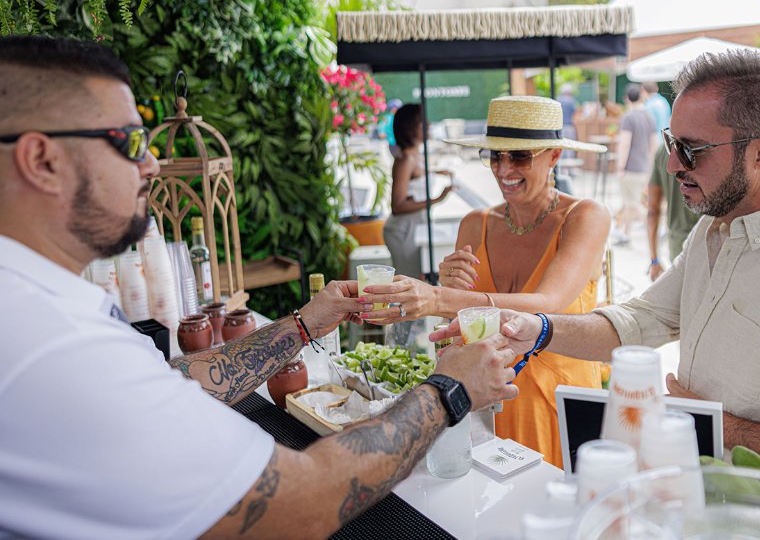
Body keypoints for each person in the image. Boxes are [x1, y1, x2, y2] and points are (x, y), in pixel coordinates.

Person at [0, 36, 518, 540]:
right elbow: (303, 505)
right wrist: (448, 390)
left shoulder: (34, 307)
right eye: (130, 142)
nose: (152, 164)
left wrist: (304, 324)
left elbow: (178, 380)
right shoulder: (52, 345)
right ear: (43, 160)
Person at [449, 50, 760, 473]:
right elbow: (641, 321)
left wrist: (714, 424)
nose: (671, 165)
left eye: (692, 150)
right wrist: (539, 329)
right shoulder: (717, 227)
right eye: (672, 141)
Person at [359, 96, 611, 469]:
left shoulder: (584, 216)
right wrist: (450, 291)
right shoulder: (475, 222)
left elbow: (550, 302)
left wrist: (438, 296)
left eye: (519, 156)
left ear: (554, 156)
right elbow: (458, 333)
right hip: (485, 404)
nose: (504, 168)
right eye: (495, 155)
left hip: (558, 404)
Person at [383, 103, 453, 280]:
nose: (428, 124)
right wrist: (437, 199)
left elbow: (417, 176)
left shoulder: (417, 155)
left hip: (416, 227)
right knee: (408, 282)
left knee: (418, 280)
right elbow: (397, 205)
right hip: (403, 231)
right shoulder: (406, 159)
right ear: (410, 127)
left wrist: (437, 171)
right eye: (422, 121)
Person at [646, 143, 700, 280]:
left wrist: (654, 260)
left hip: (678, 245)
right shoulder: (705, 144)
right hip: (710, 240)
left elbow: (652, 210)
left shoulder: (663, 150)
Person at [615, 84, 658, 243]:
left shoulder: (628, 117)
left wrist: (620, 167)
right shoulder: (649, 116)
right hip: (644, 167)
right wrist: (651, 166)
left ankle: (655, 228)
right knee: (629, 202)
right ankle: (625, 234)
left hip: (630, 168)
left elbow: (624, 144)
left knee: (633, 204)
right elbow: (653, 145)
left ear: (627, 98)